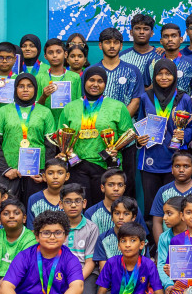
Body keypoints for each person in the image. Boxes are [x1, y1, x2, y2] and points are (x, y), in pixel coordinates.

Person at [54, 65, 135, 203]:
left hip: (107, 167)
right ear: (84, 81)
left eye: (100, 81)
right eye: (91, 80)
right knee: (80, 206)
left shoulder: (117, 106)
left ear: (105, 83)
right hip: (77, 166)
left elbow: (128, 140)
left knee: (106, 208)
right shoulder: (70, 108)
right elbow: (61, 137)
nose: (95, 84)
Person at [82, 220, 167, 294]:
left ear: (142, 244)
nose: (127, 245)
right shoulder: (111, 263)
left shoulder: (149, 264)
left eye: (133, 240)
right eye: (123, 241)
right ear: (118, 245)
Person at [0, 74, 57, 204]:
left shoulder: (45, 112)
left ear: (35, 89)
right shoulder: (3, 111)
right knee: (7, 209)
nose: (25, 89)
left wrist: (44, 172)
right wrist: (5, 169)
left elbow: (51, 145)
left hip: (36, 173)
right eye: (21, 86)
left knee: (35, 210)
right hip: (9, 172)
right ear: (15, 89)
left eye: (29, 86)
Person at [137, 60, 192, 212]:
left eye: (168, 74)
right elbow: (140, 124)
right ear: (154, 76)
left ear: (174, 76)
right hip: (150, 158)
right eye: (159, 74)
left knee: (175, 206)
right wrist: (139, 139)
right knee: (151, 205)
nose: (164, 77)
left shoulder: (184, 99)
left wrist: (184, 135)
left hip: (176, 158)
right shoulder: (145, 97)